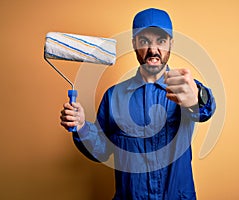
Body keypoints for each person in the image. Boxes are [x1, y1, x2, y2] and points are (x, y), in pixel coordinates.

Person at [60, 8, 216, 200]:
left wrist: (198, 98)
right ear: (134, 43)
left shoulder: (185, 87)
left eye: (161, 41)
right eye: (144, 41)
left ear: (171, 44)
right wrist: (82, 127)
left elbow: (206, 108)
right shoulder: (114, 96)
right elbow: (101, 150)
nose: (153, 50)